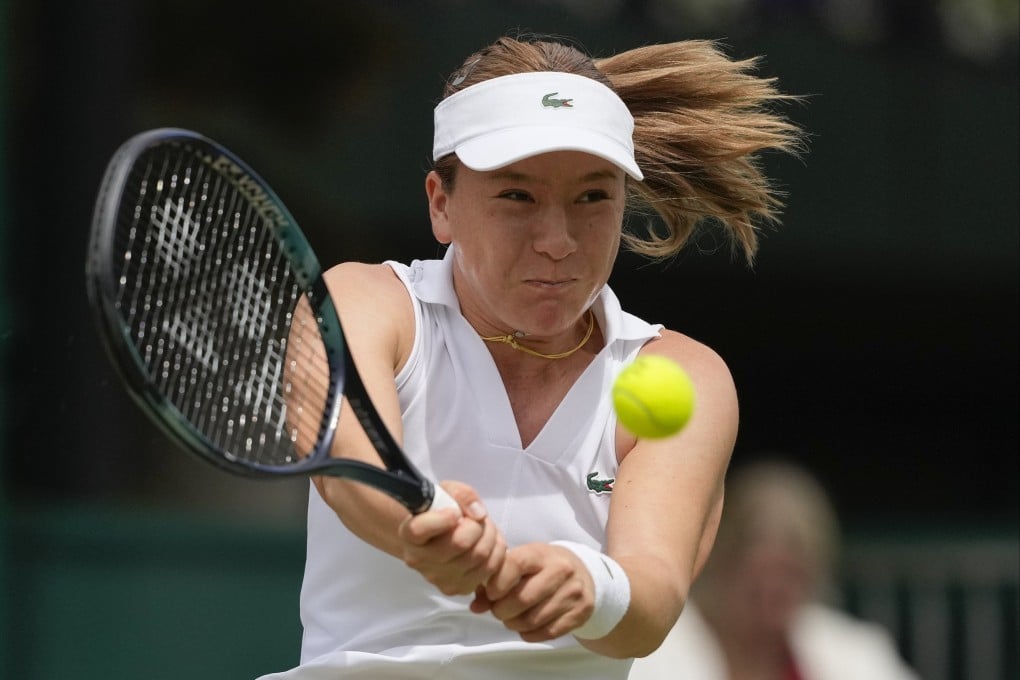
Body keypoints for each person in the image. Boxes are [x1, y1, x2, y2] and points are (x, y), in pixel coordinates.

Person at [259, 34, 801, 679]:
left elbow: (651, 596)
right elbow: (352, 468)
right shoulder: (364, 303)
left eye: (592, 198)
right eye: (517, 196)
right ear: (441, 203)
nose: (557, 240)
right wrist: (422, 521)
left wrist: (590, 587)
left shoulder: (684, 373)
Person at [628, 459, 921, 680]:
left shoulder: (853, 653)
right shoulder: (647, 651)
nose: (773, 590)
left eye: (790, 576)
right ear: (719, 562)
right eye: (758, 578)